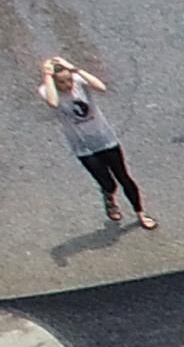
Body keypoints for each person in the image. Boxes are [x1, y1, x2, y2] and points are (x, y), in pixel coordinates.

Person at [42, 60, 149, 228]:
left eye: (69, 80)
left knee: (124, 177)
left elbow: (101, 87)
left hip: (104, 138)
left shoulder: (78, 81)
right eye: (62, 82)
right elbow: (53, 103)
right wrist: (48, 75)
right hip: (83, 146)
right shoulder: (47, 89)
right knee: (108, 183)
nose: (67, 85)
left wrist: (75, 69)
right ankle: (108, 196)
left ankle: (140, 213)